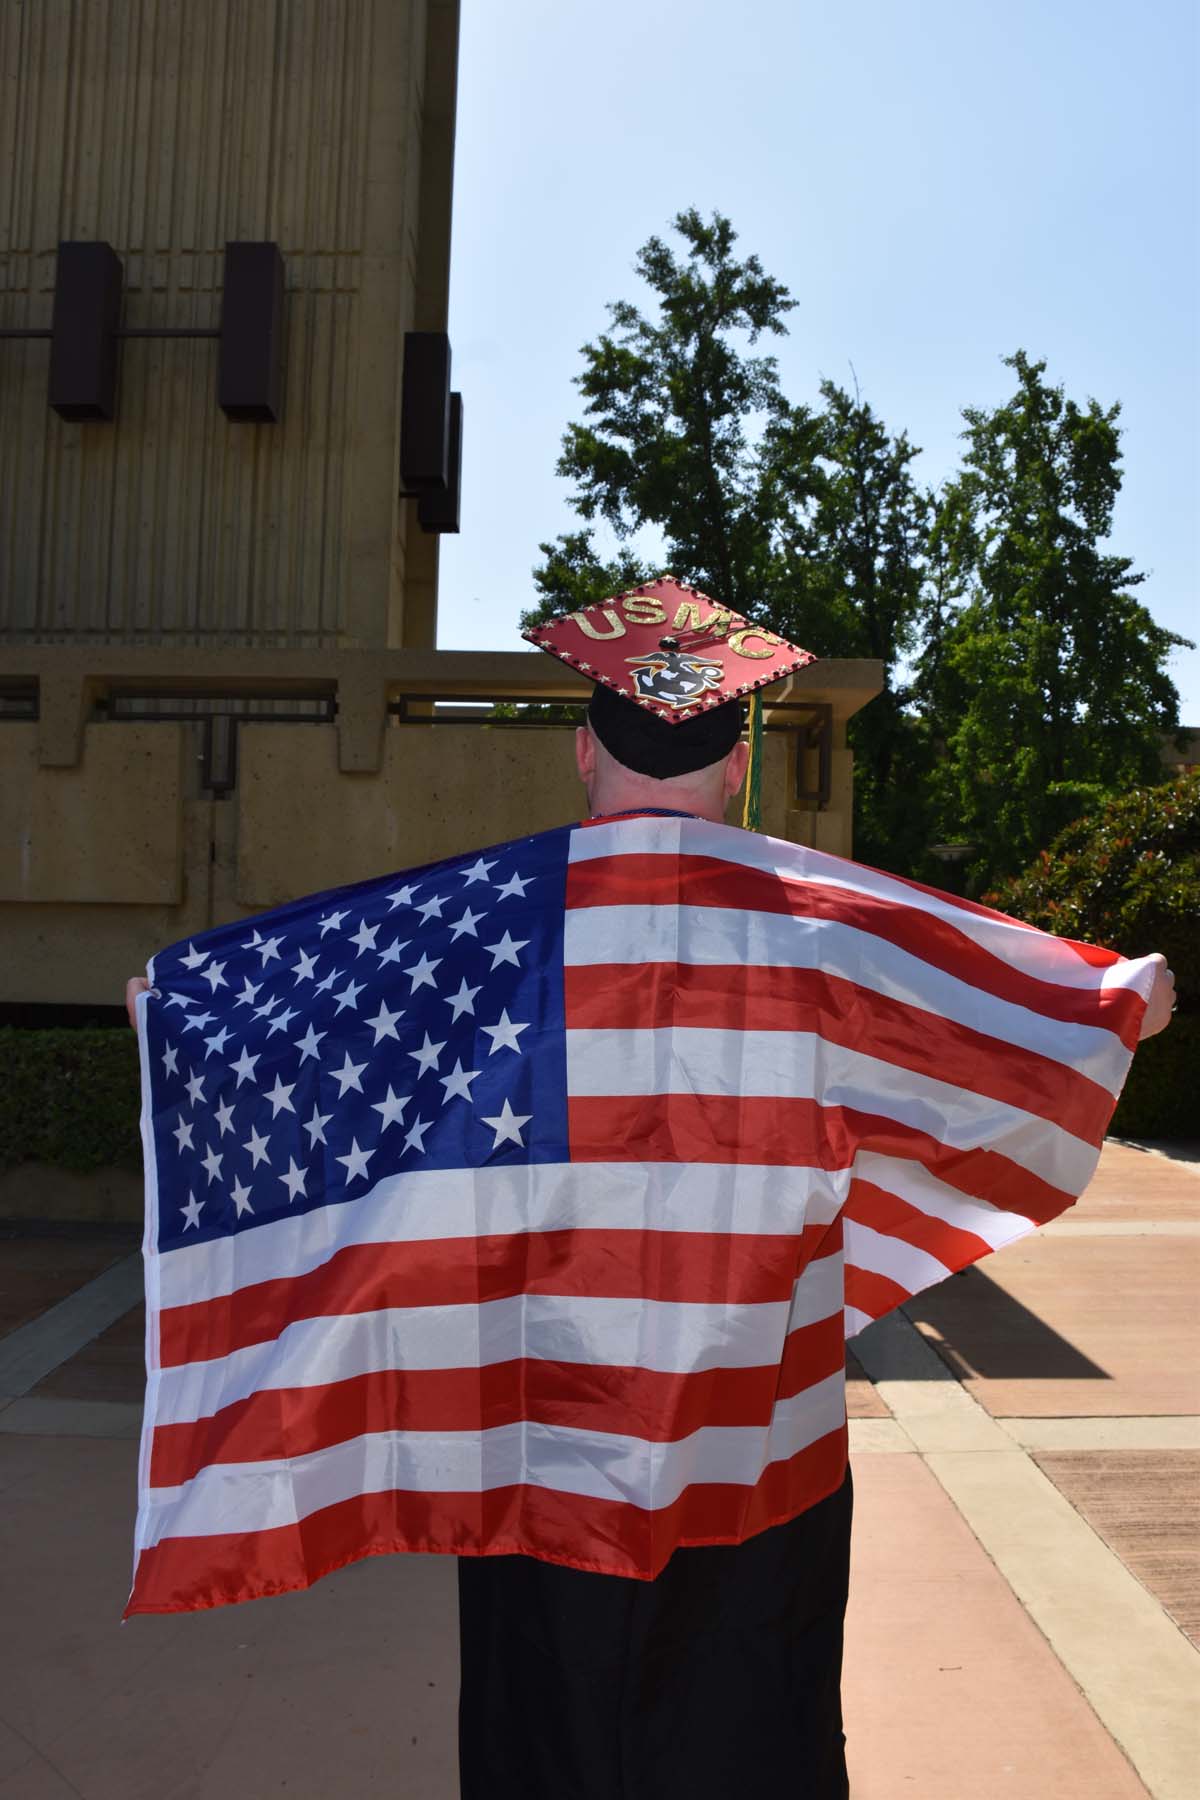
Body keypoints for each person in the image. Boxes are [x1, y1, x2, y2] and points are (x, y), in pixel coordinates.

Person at [125, 579, 1176, 1800]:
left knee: (546, 1741)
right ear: (737, 767)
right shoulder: (833, 935)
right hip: (758, 1449)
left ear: (583, 754)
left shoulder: (471, 930)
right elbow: (1038, 1024)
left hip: (533, 1447)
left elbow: (267, 1017)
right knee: (747, 1736)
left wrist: (176, 1007)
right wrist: (1119, 998)